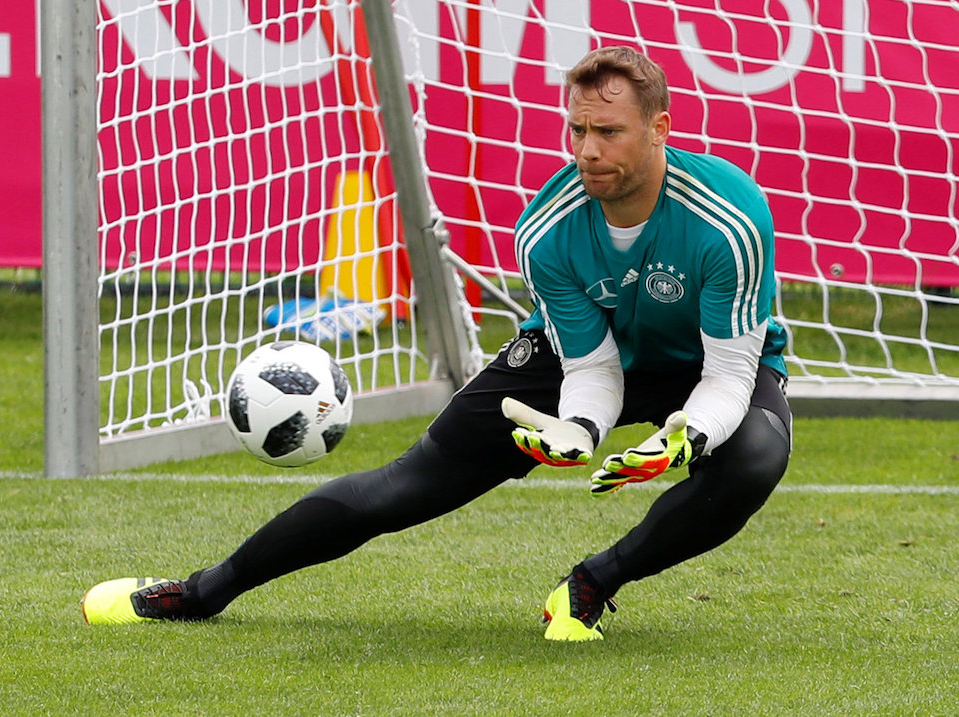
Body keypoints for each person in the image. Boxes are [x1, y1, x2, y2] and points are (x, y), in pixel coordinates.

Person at [81, 45, 792, 642]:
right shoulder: (547, 227)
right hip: (592, 360)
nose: (586, 151)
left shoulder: (728, 218)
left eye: (608, 131)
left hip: (707, 365)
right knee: (407, 484)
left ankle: (592, 581)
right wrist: (578, 427)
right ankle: (204, 590)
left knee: (754, 458)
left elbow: (731, 373)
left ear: (660, 127)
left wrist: (689, 438)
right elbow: (593, 364)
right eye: (576, 130)